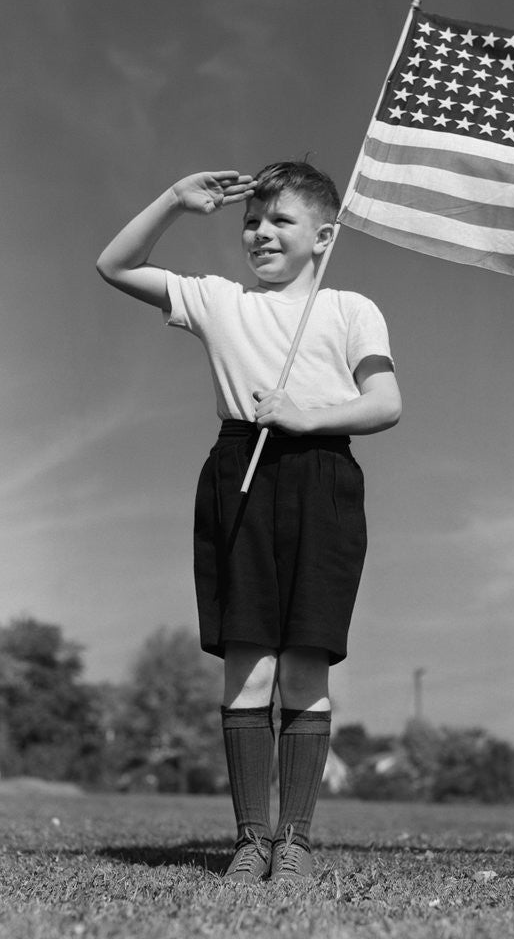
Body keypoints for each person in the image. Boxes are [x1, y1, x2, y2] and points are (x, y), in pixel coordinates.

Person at [97, 163, 401, 883]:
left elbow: (384, 402)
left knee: (304, 660)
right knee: (248, 659)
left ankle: (293, 840)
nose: (260, 232)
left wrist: (307, 415)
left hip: (322, 474)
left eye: (280, 221)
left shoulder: (351, 308)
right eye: (251, 221)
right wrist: (175, 198)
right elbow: (115, 264)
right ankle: (249, 840)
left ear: (323, 236)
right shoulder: (217, 301)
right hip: (240, 470)